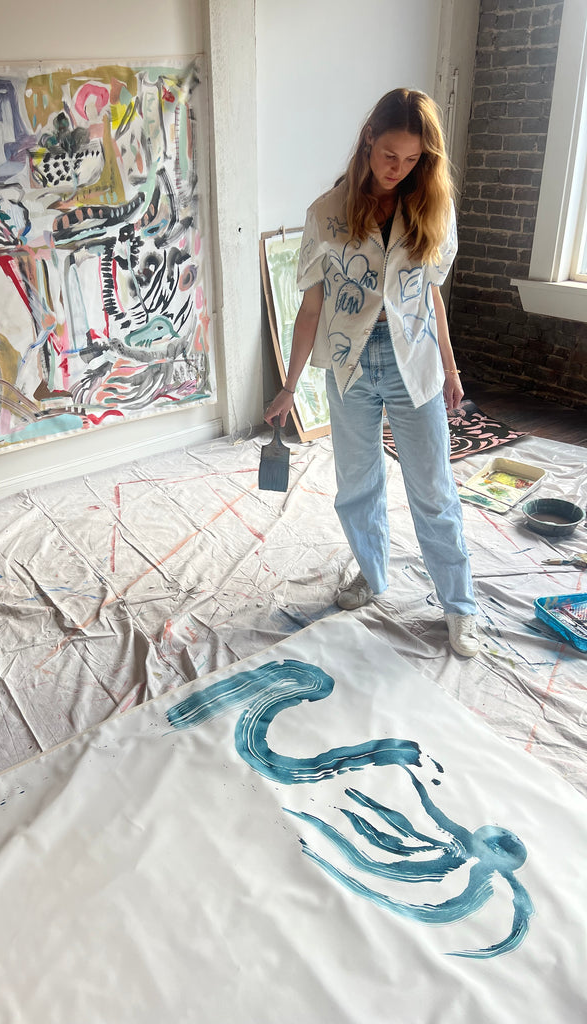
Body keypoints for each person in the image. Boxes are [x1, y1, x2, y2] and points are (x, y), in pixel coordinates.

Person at [264, 88, 479, 658]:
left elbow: (431, 295)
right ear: (368, 141)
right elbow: (311, 307)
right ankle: (372, 571)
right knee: (358, 485)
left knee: (433, 489)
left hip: (415, 361)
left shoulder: (432, 208)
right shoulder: (327, 214)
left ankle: (460, 606)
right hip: (350, 365)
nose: (398, 168)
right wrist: (289, 386)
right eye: (389, 155)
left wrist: (451, 368)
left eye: (412, 159)